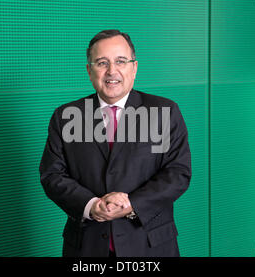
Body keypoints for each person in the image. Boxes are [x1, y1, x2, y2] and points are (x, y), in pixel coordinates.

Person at [39, 29, 191, 257]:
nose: (112, 71)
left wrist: (133, 204)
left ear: (134, 67)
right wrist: (91, 205)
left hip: (150, 247)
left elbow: (177, 172)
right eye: (102, 63)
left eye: (120, 61)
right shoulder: (66, 116)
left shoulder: (163, 112)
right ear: (89, 71)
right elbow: (52, 175)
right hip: (87, 248)